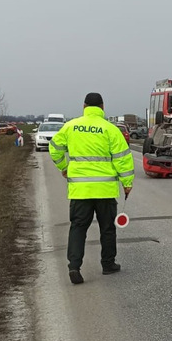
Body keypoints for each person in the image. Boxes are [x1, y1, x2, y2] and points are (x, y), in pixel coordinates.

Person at [49, 92, 135, 285]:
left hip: (80, 191)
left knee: (78, 228)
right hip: (105, 190)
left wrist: (63, 167)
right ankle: (108, 264)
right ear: (102, 107)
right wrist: (127, 183)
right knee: (107, 228)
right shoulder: (110, 129)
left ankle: (74, 266)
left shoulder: (71, 127)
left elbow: (54, 148)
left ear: (84, 106)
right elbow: (123, 159)